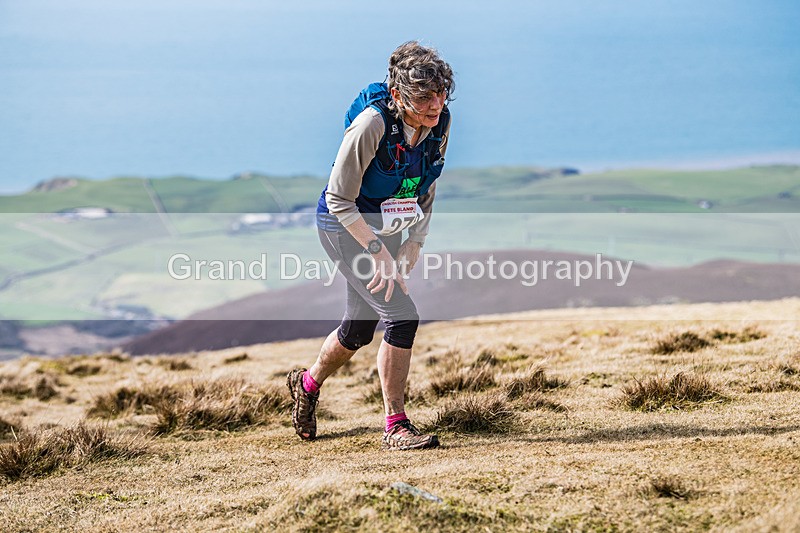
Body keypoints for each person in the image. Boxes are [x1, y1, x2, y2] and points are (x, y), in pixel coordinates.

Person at [287, 41, 454, 450]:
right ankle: (395, 426)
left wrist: (414, 242)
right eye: (423, 97)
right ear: (398, 95)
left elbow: (427, 185)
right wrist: (377, 251)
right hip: (344, 225)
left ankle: (306, 384)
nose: (435, 105)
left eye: (440, 93)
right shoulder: (371, 125)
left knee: (359, 329)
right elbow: (338, 198)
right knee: (402, 318)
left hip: (391, 226)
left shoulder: (440, 122)